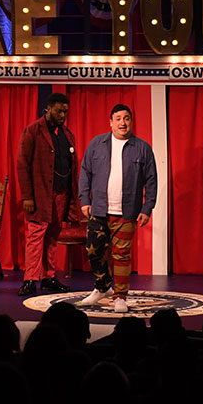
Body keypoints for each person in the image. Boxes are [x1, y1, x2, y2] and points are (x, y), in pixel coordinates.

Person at [77, 104, 157, 313]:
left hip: (127, 211)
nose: (123, 122)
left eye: (127, 118)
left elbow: (151, 180)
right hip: (99, 209)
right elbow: (85, 172)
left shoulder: (142, 148)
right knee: (92, 251)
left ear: (131, 121)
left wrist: (147, 208)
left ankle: (120, 296)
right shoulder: (97, 144)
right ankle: (102, 287)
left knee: (121, 255)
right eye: (118, 118)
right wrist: (85, 200)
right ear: (110, 122)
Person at [15, 92, 81, 296]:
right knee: (35, 236)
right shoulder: (33, 131)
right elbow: (22, 165)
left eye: (66, 111)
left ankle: (48, 276)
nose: (63, 115)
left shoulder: (67, 134)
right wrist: (27, 196)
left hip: (61, 193)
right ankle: (30, 279)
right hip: (39, 195)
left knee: (52, 237)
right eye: (59, 111)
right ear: (49, 108)